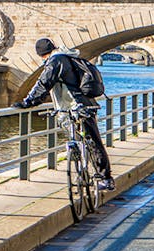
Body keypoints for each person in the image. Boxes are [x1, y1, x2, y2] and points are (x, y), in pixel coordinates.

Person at [13, 37, 114, 190]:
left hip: (77, 106)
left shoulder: (56, 61)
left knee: (92, 141)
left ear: (42, 55)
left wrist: (28, 102)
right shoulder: (67, 57)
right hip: (81, 105)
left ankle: (105, 178)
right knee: (90, 140)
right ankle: (91, 169)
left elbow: (44, 83)